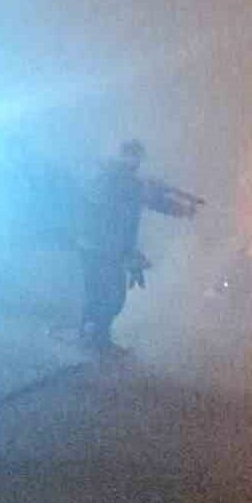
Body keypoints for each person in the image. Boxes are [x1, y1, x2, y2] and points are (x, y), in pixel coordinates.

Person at [78, 140, 198, 351]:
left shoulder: (112, 178)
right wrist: (183, 209)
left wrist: (180, 206)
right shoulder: (123, 182)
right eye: (136, 159)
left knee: (99, 293)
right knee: (112, 296)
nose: (137, 164)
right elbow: (153, 201)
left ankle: (91, 334)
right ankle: (96, 339)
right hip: (105, 247)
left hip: (95, 245)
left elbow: (149, 199)